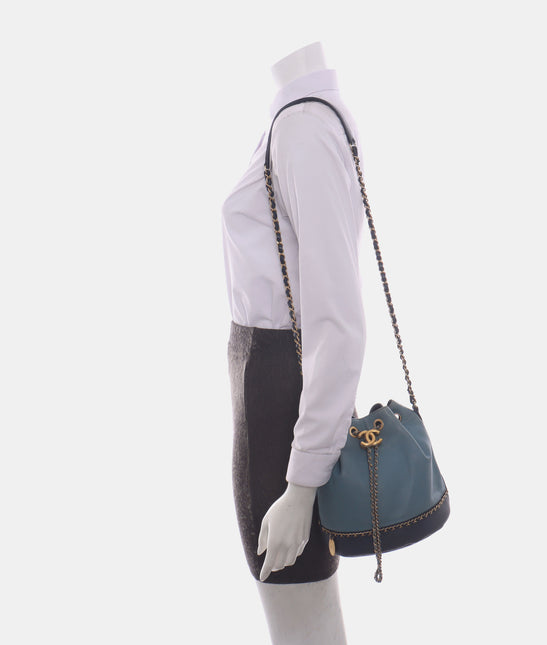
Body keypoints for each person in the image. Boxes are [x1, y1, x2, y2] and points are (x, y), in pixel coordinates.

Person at [221, 41, 367, 644]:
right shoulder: (298, 117)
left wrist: (301, 484)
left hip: (280, 406)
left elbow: (339, 324)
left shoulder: (303, 127)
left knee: (304, 630)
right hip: (271, 393)